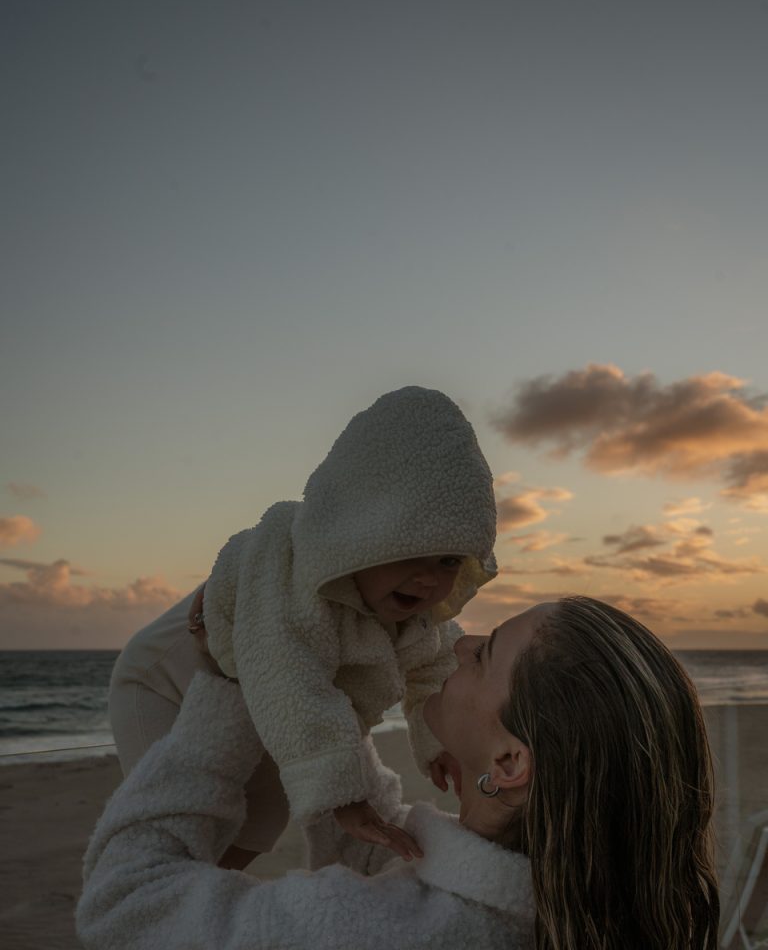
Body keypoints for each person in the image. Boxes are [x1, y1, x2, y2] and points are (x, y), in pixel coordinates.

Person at [78, 596, 719, 950]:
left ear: (510, 761)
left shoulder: (377, 930)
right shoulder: (572, 911)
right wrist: (311, 704)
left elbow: (125, 904)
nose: (460, 644)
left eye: (486, 650)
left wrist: (228, 696)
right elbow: (389, 864)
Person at [108, 385, 497, 869]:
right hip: (167, 684)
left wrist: (441, 743)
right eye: (410, 552)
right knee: (177, 817)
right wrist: (343, 796)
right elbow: (286, 671)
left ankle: (202, 895)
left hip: (255, 704)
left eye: (447, 560)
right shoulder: (286, 568)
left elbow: (436, 671)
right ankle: (163, 895)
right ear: (358, 531)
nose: (429, 578)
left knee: (264, 815)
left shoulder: (418, 620)